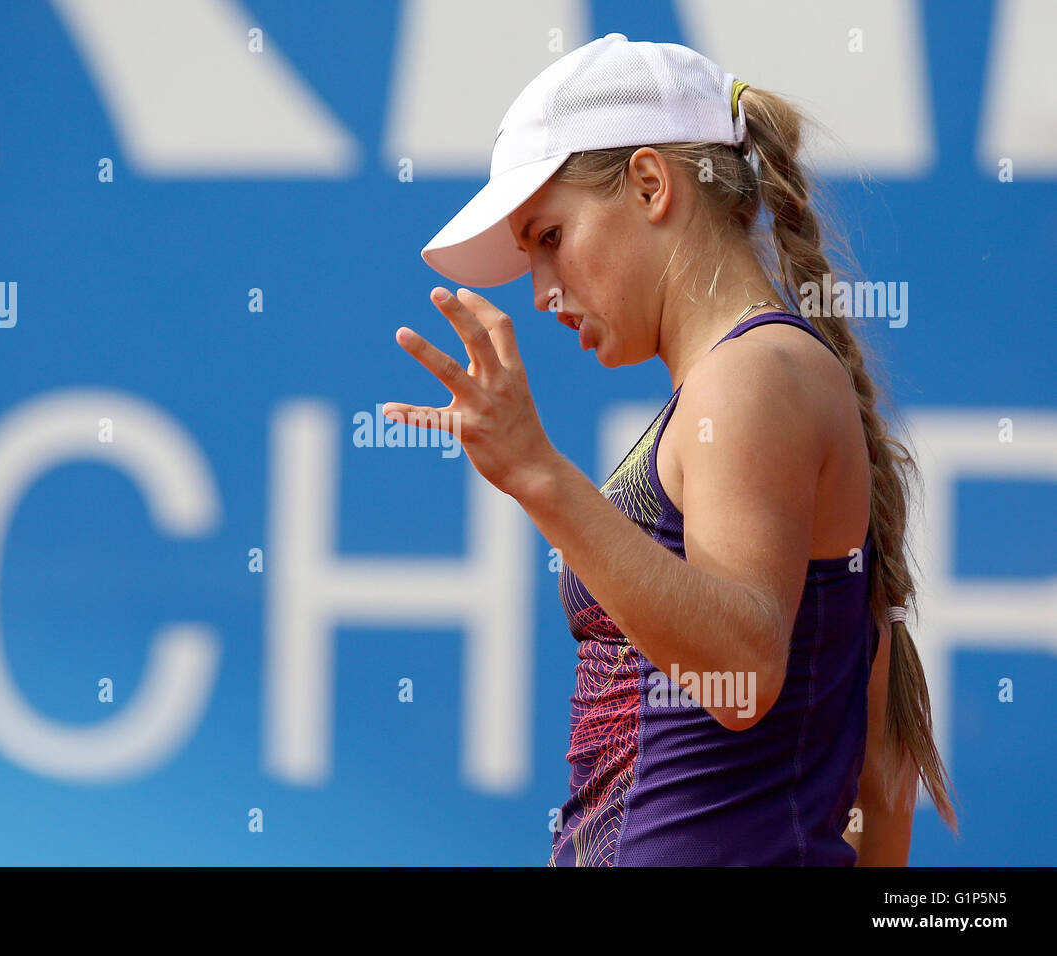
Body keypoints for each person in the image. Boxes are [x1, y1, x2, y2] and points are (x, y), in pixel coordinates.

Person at [386, 33, 957, 865]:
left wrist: (539, 476)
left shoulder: (754, 375)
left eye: (549, 237)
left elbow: (744, 669)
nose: (543, 291)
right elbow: (880, 752)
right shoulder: (748, 382)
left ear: (652, 185)